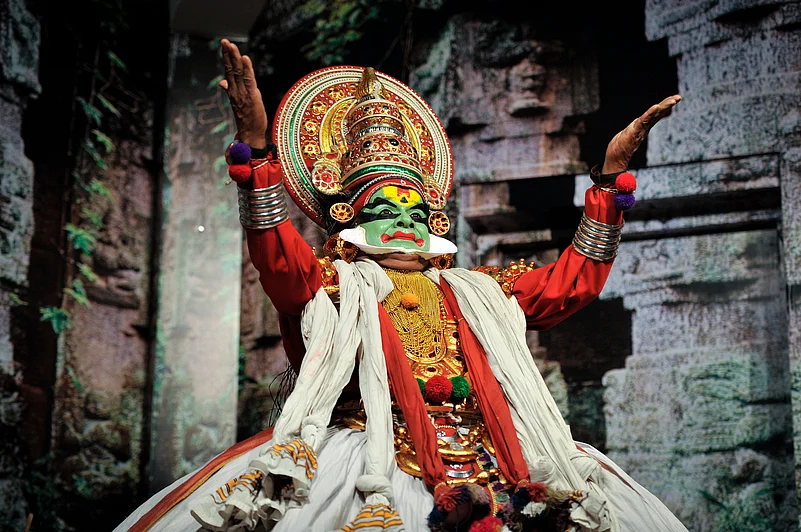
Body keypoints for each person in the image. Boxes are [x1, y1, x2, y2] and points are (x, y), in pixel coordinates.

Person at [116, 39, 686, 532]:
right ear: (350, 220)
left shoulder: (479, 290)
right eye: (386, 208)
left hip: (498, 453)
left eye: (416, 210)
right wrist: (259, 154)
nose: (406, 221)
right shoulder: (330, 285)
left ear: (436, 219)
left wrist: (608, 186)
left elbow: (571, 285)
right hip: (370, 458)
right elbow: (279, 264)